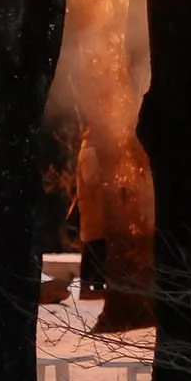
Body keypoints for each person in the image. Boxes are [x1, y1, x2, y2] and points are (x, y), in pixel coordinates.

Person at [75, 126, 107, 299]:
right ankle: (89, 285)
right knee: (93, 245)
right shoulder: (90, 151)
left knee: (95, 244)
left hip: (92, 205)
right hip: (93, 205)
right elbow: (91, 178)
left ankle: (93, 284)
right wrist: (106, 174)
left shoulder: (88, 149)